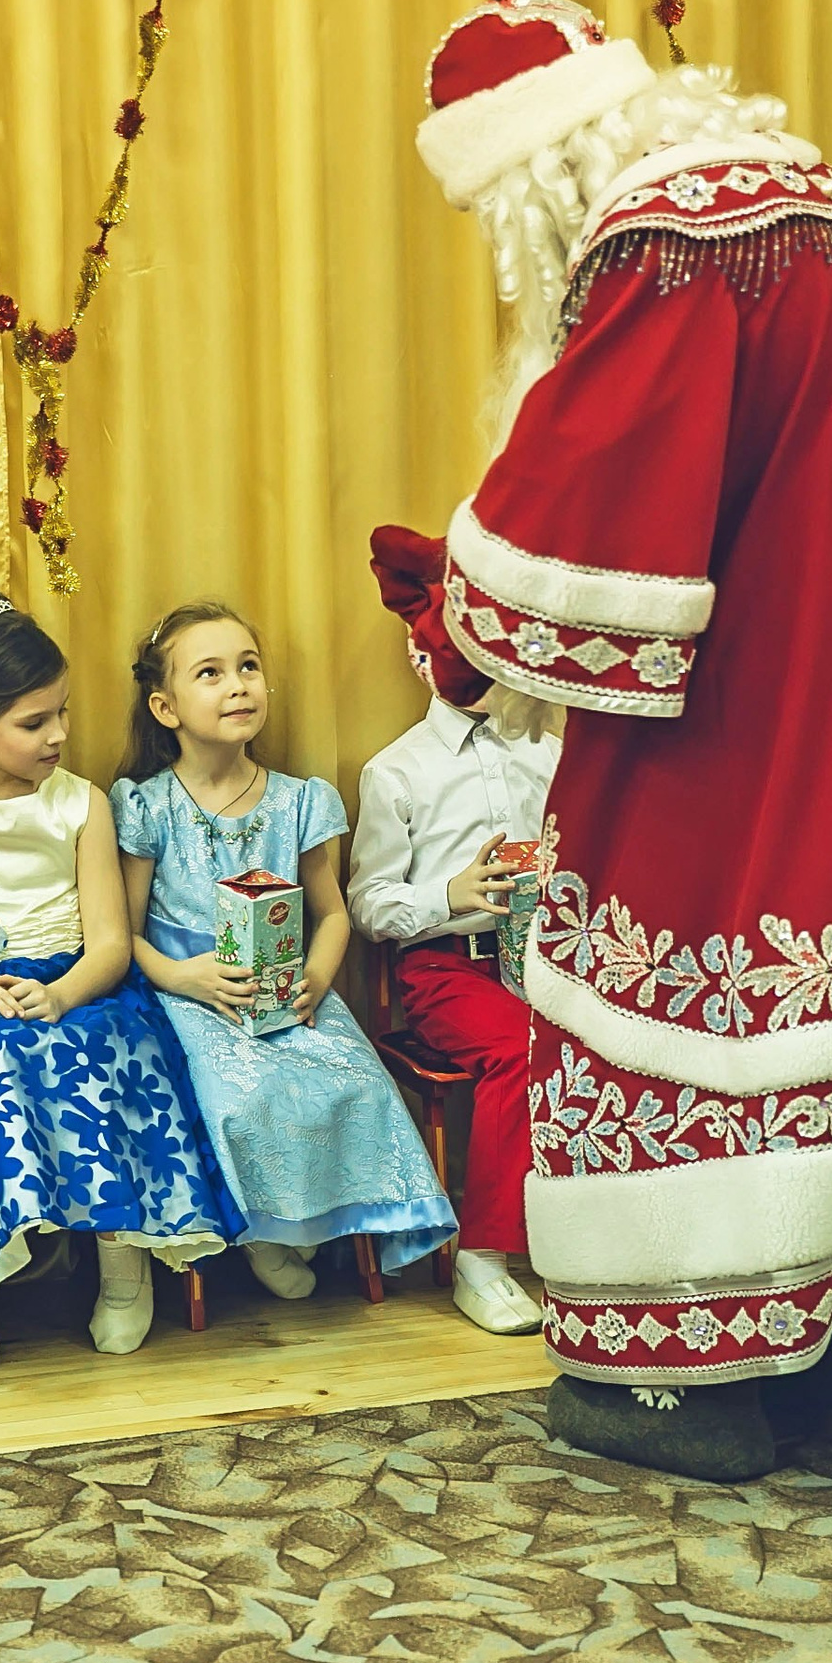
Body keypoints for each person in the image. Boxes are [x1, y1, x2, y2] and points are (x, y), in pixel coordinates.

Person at [408, 0, 832, 1478]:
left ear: (531, 165)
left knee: (687, 965)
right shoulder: (809, 198)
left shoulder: (660, 237)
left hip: (769, 673)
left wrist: (451, 589)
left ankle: (681, 1381)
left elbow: (599, 516)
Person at [0, 585, 241, 1370]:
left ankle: (123, 1265)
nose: (60, 735)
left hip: (79, 988)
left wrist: (67, 992)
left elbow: (112, 940)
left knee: (101, 1055)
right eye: (35, 722)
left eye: (63, 713)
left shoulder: (85, 804)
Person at [111, 601, 457, 1303]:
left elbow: (330, 913)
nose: (238, 684)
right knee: (241, 1093)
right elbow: (126, 934)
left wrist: (317, 977)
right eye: (210, 673)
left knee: (354, 1081)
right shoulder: (147, 805)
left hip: (289, 986)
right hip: (189, 992)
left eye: (248, 666)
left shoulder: (300, 800)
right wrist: (183, 975)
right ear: (165, 706)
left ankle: (305, 1227)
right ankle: (262, 1234)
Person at [349, 531, 558, 1332]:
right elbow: (369, 903)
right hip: (448, 967)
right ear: (422, 658)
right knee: (521, 1049)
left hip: (547, 958)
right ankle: (485, 1254)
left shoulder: (549, 749)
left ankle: (601, 1237)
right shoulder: (396, 771)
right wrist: (450, 893)